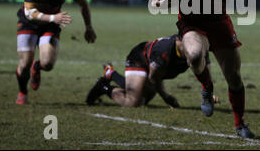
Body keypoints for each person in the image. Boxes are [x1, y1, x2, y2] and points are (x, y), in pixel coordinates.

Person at [151, 0, 254, 138]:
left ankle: (240, 124)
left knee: (233, 77)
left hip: (218, 21)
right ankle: (207, 88)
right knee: (196, 55)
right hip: (191, 23)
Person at [15, 0, 96, 104]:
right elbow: (30, 12)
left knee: (48, 64)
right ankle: (22, 91)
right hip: (29, 23)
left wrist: (89, 27)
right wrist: (53, 17)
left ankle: (37, 66)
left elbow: (83, 4)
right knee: (24, 63)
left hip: (50, 25)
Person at [85, 34, 215, 108]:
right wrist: (167, 98)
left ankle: (110, 73)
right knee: (133, 102)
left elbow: (205, 66)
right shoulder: (164, 51)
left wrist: (208, 91)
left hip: (155, 71)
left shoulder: (196, 49)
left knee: (142, 99)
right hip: (140, 59)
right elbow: (154, 78)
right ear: (180, 40)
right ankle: (103, 85)